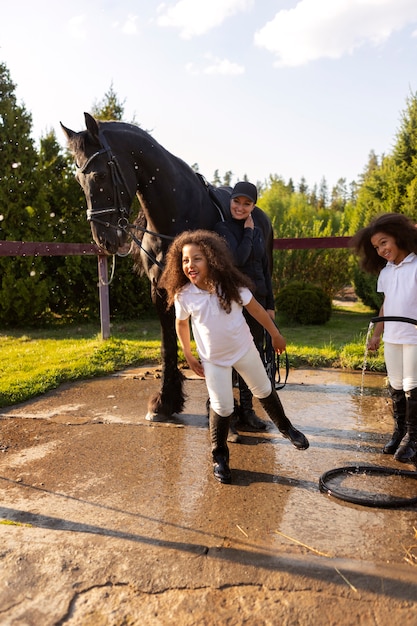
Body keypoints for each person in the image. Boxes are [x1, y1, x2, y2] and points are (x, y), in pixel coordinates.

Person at [159, 229, 309, 484]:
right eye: (185, 260)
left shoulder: (231, 287)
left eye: (197, 258)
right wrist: (188, 354)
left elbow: (258, 311)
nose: (190, 265)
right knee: (223, 407)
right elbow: (181, 324)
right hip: (213, 360)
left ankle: (286, 428)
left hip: (243, 350)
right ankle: (220, 457)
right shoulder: (184, 295)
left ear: (211, 259)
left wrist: (275, 334)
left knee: (263, 389)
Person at [351, 213, 417, 464]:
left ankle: (414, 438)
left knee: (412, 386)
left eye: (384, 242)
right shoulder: (387, 272)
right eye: (376, 247)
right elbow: (386, 304)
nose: (381, 250)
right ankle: (399, 432)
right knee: (396, 385)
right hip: (393, 335)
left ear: (399, 237)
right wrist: (377, 334)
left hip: (414, 336)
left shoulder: (416, 264)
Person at [214, 181, 274, 434]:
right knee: (230, 355)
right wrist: (249, 233)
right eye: (236, 202)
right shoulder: (222, 229)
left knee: (255, 355)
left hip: (257, 299)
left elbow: (264, 266)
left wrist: (270, 304)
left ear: (253, 206)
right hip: (236, 301)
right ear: (230, 202)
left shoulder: (258, 230)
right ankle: (227, 411)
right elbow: (236, 259)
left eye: (246, 203)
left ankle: (248, 411)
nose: (240, 207)